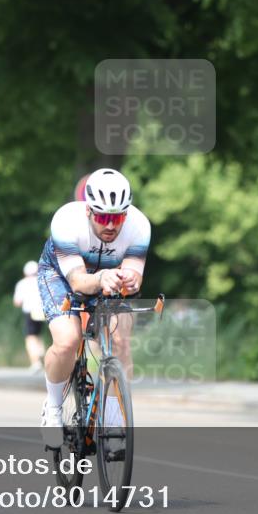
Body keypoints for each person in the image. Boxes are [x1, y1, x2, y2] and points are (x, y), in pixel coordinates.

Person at [36, 168, 151, 447]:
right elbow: (77, 281)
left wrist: (131, 281)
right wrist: (101, 278)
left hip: (108, 278)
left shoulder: (140, 226)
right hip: (61, 276)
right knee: (67, 341)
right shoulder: (66, 221)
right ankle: (52, 407)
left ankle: (113, 421)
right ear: (88, 211)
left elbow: (135, 275)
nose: (110, 226)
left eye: (117, 218)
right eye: (102, 217)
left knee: (121, 339)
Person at [13, 260, 46, 374]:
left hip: (29, 311)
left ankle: (35, 362)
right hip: (41, 311)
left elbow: (17, 302)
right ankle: (41, 352)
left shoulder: (22, 283)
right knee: (38, 334)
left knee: (30, 337)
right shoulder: (42, 281)